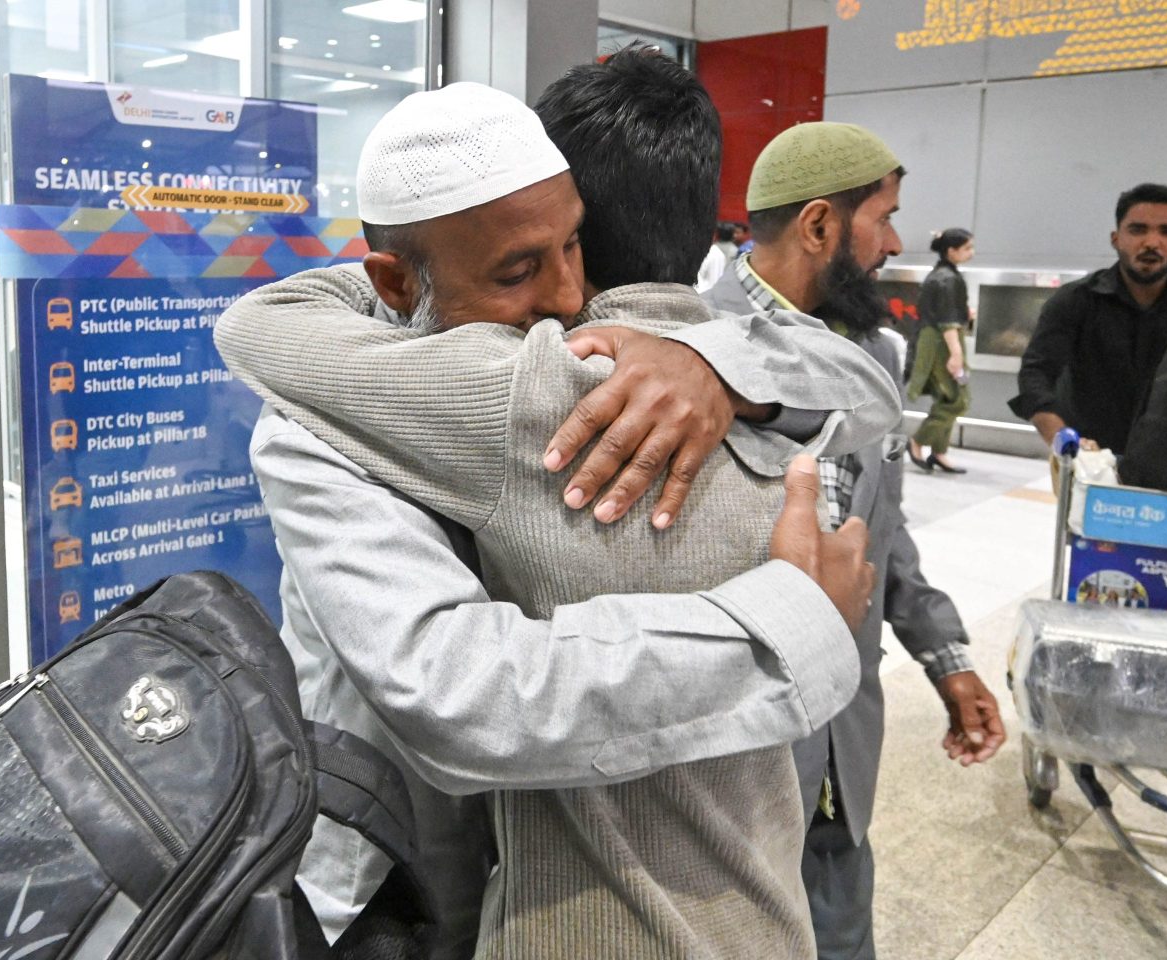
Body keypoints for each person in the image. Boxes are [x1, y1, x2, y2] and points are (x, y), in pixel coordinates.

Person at [218, 58, 902, 958]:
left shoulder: (642, 365)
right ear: (391, 284)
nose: (570, 296)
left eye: (574, 245)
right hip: (398, 875)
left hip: (536, 882)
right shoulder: (322, 427)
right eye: (517, 271)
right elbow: (455, 693)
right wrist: (784, 624)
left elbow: (856, 376)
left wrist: (721, 367)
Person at [703, 122, 1006, 960]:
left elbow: (887, 526)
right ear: (820, 227)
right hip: (738, 753)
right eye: (885, 218)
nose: (897, 243)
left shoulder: (871, 353)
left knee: (838, 926)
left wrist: (945, 657)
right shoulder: (692, 347)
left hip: (843, 734)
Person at [1011, 183, 1167, 454]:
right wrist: (1062, 439)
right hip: (1089, 458)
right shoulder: (1075, 300)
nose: (1152, 242)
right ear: (1116, 238)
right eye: (1138, 229)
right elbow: (1036, 374)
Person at [907, 228, 975, 474]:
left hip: (940, 340)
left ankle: (939, 451)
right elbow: (946, 320)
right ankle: (919, 440)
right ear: (951, 251)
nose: (971, 253)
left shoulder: (943, 275)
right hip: (942, 343)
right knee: (957, 399)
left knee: (949, 397)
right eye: (967, 248)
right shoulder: (947, 278)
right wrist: (956, 353)